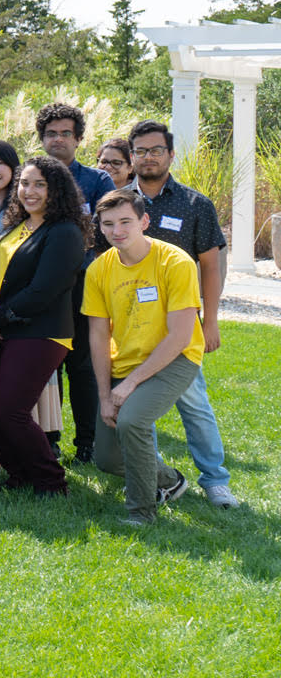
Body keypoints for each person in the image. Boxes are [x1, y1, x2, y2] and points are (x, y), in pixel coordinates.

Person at [126, 120, 236, 506]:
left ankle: (215, 479)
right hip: (130, 325)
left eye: (156, 150)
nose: (148, 157)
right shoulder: (120, 201)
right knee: (138, 403)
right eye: (140, 150)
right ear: (131, 156)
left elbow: (210, 266)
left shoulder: (194, 204)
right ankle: (153, 476)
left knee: (194, 403)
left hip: (180, 324)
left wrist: (211, 321)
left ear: (171, 155)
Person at [82, 189, 203, 524]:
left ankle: (141, 512)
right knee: (106, 458)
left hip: (175, 359)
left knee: (132, 421)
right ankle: (169, 480)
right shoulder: (98, 270)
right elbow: (98, 334)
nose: (117, 230)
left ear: (144, 222)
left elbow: (180, 335)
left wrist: (130, 385)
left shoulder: (175, 261)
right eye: (108, 224)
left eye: (125, 221)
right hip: (125, 361)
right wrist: (106, 395)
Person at [0, 158, 87, 496]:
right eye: (25, 183)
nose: (29, 191)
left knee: (10, 410)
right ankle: (20, 475)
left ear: (57, 189)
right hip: (6, 331)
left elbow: (44, 290)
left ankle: (51, 481)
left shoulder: (65, 232)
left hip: (41, 332)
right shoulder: (16, 226)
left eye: (40, 184)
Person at [36, 102, 115, 462]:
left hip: (85, 286)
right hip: (43, 290)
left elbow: (105, 232)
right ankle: (47, 439)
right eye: (51, 134)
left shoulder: (97, 181)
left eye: (65, 133)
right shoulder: (32, 176)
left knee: (82, 365)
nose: (58, 140)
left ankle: (88, 442)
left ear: (79, 139)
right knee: (45, 366)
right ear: (42, 139)